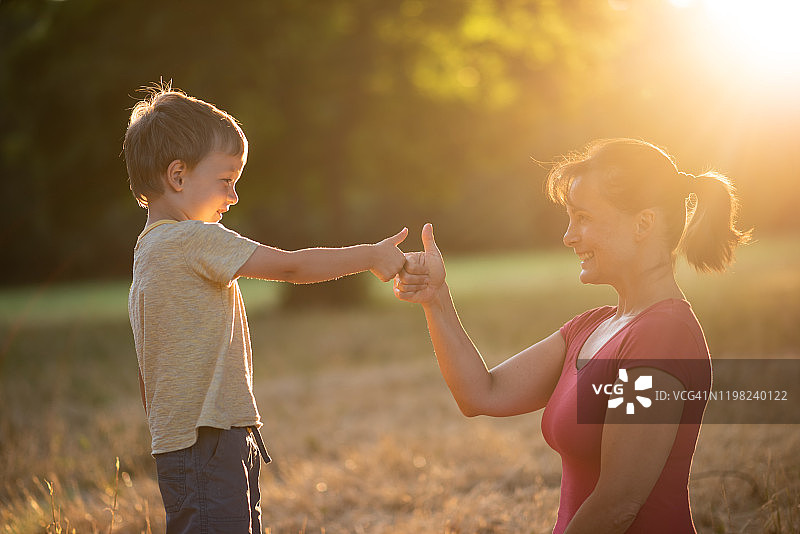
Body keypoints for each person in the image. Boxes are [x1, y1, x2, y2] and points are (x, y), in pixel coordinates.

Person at [393, 138, 751, 533]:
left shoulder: (661, 337)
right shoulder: (592, 327)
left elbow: (618, 505)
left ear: (643, 224)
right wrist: (436, 299)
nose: (568, 235)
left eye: (583, 217)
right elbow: (482, 393)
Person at [124, 85, 407, 534]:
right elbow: (292, 266)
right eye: (226, 180)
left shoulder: (147, 253)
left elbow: (147, 367)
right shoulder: (194, 239)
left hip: (180, 444)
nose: (234, 196)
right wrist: (370, 255)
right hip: (211, 438)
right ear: (177, 176)